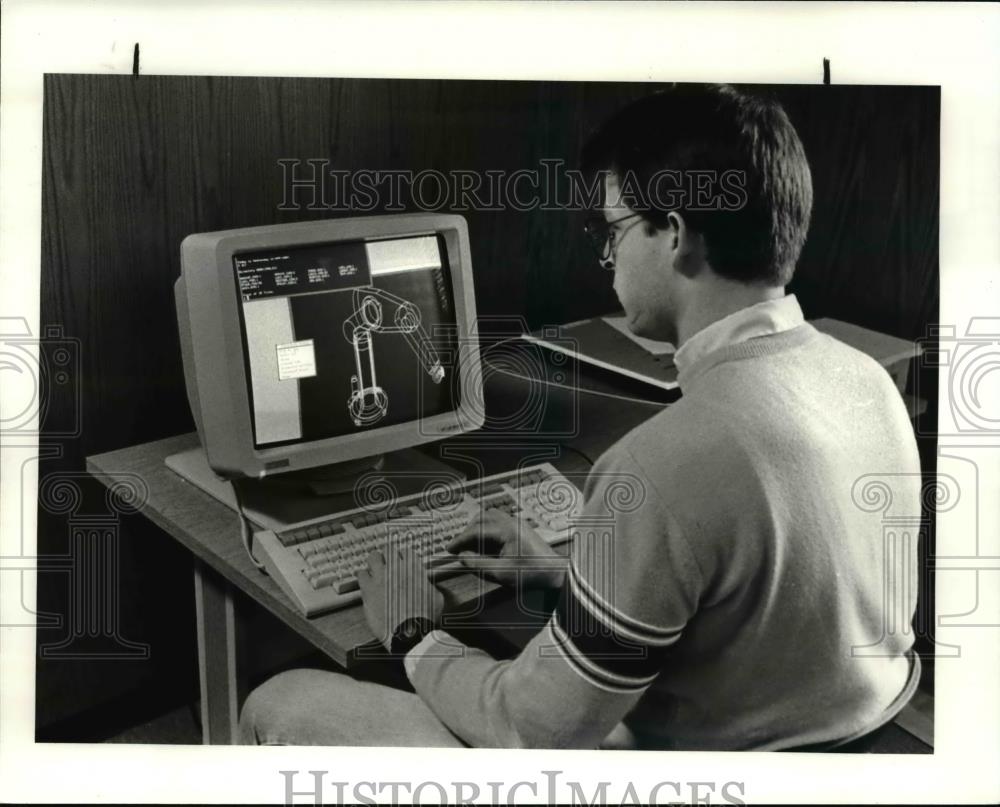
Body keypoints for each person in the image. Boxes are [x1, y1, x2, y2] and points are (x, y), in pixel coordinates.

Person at [239, 84, 921, 750]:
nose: (604, 254)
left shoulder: (660, 463)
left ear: (674, 235)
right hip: (854, 747)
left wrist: (417, 632)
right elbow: (767, 606)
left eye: (613, 228)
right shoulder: (867, 381)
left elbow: (531, 730)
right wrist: (570, 576)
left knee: (279, 702)